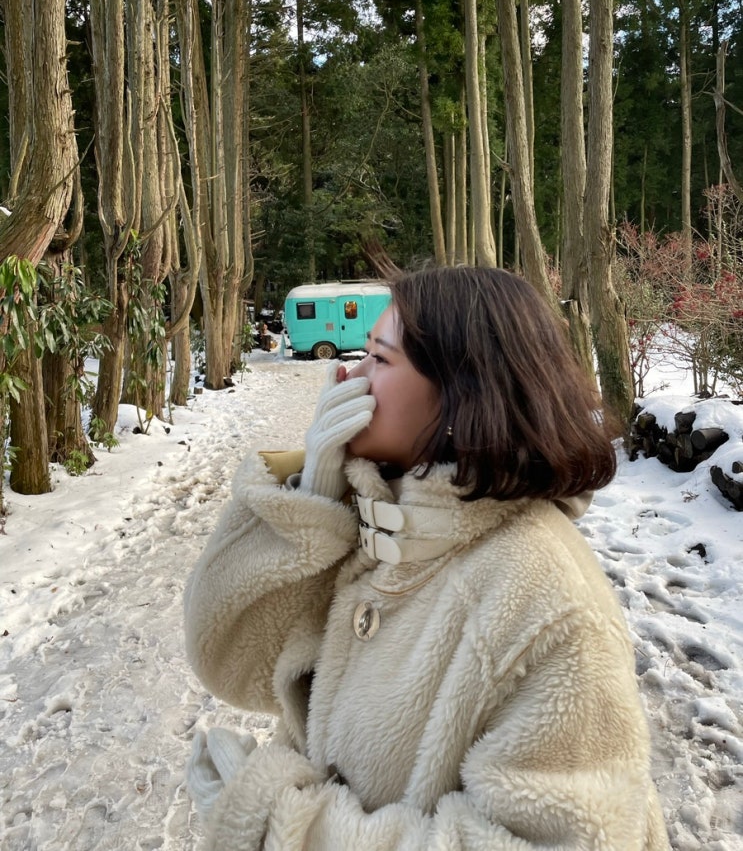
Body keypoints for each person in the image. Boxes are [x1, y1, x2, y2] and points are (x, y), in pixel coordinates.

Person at [183, 265, 670, 850]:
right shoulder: (385, 524)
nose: (348, 375)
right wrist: (313, 498)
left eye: (378, 359)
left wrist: (283, 826)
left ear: (466, 392)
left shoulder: (551, 605)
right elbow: (234, 662)